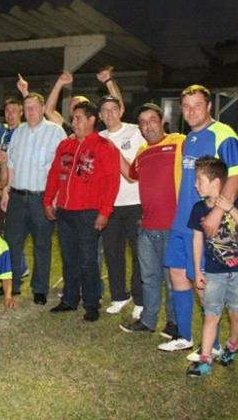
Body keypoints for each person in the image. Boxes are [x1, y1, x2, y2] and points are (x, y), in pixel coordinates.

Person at [158, 84, 238, 353]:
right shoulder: (188, 139)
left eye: (197, 105)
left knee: (204, 282)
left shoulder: (223, 134)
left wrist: (217, 213)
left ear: (208, 107)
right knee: (177, 275)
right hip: (182, 221)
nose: (191, 111)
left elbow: (236, 176)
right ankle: (184, 337)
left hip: (208, 225)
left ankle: (215, 344)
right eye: (186, 106)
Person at [43, 100, 120, 321]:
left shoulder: (104, 147)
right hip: (65, 211)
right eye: (73, 119)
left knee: (88, 260)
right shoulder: (65, 146)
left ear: (91, 120)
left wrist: (105, 212)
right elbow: (54, 174)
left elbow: (112, 182)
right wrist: (48, 201)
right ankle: (69, 299)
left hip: (88, 212)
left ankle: (91, 302)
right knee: (69, 258)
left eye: (78, 118)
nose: (73, 123)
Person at [186, 157, 238, 377]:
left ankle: (232, 345)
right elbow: (197, 241)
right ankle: (205, 360)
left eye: (199, 180)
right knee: (211, 314)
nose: (196, 185)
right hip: (214, 272)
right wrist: (197, 271)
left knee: (236, 314)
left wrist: (230, 208)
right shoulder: (198, 209)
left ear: (216, 183)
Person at [119, 103, 182, 337]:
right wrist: (114, 150)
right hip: (146, 227)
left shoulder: (179, 142)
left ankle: (175, 323)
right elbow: (131, 175)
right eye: (143, 123)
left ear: (162, 120)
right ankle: (148, 321)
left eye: (152, 120)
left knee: (173, 279)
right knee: (149, 278)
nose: (148, 126)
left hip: (172, 226)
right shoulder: (143, 152)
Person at [1, 91, 66, 304]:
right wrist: (6, 190)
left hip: (42, 199)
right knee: (12, 243)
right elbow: (11, 164)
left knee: (42, 244)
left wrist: (55, 197)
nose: (29, 112)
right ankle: (13, 285)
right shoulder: (18, 132)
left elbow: (62, 167)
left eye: (33, 107)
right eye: (26, 108)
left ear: (42, 108)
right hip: (17, 198)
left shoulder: (55, 132)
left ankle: (40, 288)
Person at [97, 93, 145, 318]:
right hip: (110, 205)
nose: (109, 114)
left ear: (121, 110)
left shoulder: (136, 131)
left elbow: (134, 173)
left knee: (139, 254)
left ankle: (140, 299)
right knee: (113, 252)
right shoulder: (98, 138)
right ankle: (119, 295)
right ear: (99, 115)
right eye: (105, 111)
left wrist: (115, 153)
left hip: (135, 202)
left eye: (113, 109)